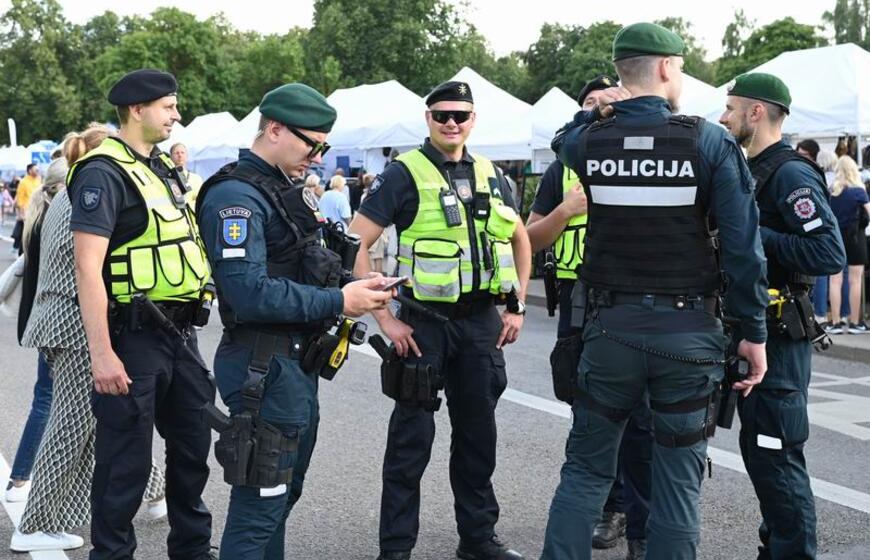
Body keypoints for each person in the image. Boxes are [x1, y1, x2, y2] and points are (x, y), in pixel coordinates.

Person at [541, 23, 770, 560]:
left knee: (586, 472)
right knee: (678, 483)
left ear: (620, 72)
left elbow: (560, 140)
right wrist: (753, 333)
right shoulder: (708, 141)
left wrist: (597, 112)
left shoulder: (589, 140)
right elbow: (743, 250)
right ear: (667, 67)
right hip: (688, 336)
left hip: (608, 332)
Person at [196, 82, 395, 560]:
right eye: (312, 144)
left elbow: (303, 264)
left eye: (324, 146)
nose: (318, 157)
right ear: (275, 129)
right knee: (259, 507)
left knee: (281, 498)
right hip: (263, 365)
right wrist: (339, 300)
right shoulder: (236, 197)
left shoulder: (279, 189)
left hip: (291, 365)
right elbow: (248, 293)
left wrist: (353, 285)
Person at [350, 80, 531, 560]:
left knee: (478, 439)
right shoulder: (403, 173)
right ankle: (396, 549)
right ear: (427, 118)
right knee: (411, 442)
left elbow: (520, 238)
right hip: (423, 324)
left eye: (461, 115)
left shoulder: (493, 174)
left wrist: (517, 304)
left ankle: (477, 539)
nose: (452, 123)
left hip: (480, 323)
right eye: (442, 115)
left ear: (473, 119)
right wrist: (384, 317)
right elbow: (355, 242)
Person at [69, 69, 216, 560]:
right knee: (124, 466)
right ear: (137, 110)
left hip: (180, 333)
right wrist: (102, 354)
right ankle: (111, 554)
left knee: (193, 452)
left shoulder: (161, 166)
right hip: (132, 338)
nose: (177, 115)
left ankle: (192, 550)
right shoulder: (103, 171)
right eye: (169, 106)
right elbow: (87, 268)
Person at [9, 125, 170, 553]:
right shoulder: (89, 190)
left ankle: (155, 489)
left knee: (97, 422)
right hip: (75, 321)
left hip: (61, 318)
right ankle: (36, 522)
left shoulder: (70, 190)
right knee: (73, 426)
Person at [720, 72, 846, 560]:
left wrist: (750, 233)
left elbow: (828, 252)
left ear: (756, 112)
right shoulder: (748, 167)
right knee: (761, 453)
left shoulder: (790, 173)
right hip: (752, 331)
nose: (723, 117)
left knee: (776, 454)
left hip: (780, 335)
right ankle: (775, 546)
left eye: (731, 108)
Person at [526, 74, 652, 559]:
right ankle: (610, 506)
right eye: (590, 104)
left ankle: (639, 523)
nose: (599, 109)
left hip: (630, 300)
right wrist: (565, 209)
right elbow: (530, 238)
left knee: (640, 418)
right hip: (579, 304)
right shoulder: (564, 168)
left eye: (607, 101)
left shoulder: (644, 156)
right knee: (590, 414)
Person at [4, 159, 66, 513]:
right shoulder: (56, 220)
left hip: (42, 322)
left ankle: (21, 480)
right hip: (59, 323)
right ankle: (22, 480)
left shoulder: (39, 218)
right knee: (59, 403)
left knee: (48, 400)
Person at [827, 155, 870, 334]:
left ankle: (835, 323)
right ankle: (854, 322)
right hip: (856, 239)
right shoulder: (859, 192)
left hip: (836, 239)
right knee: (855, 281)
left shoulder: (832, 192)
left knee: (834, 280)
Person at [12, 164, 42, 254]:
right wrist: (22, 213)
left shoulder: (38, 181)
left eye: (38, 169)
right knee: (26, 234)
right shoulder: (23, 182)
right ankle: (20, 252)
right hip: (27, 212)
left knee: (33, 233)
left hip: (37, 211)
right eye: (35, 169)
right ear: (29, 171)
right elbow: (20, 199)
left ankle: (25, 251)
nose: (37, 171)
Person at [169, 142, 204, 209]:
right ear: (171, 157)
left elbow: (201, 201)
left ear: (187, 156)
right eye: (176, 153)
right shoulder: (167, 178)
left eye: (182, 152)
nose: (180, 155)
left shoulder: (196, 178)